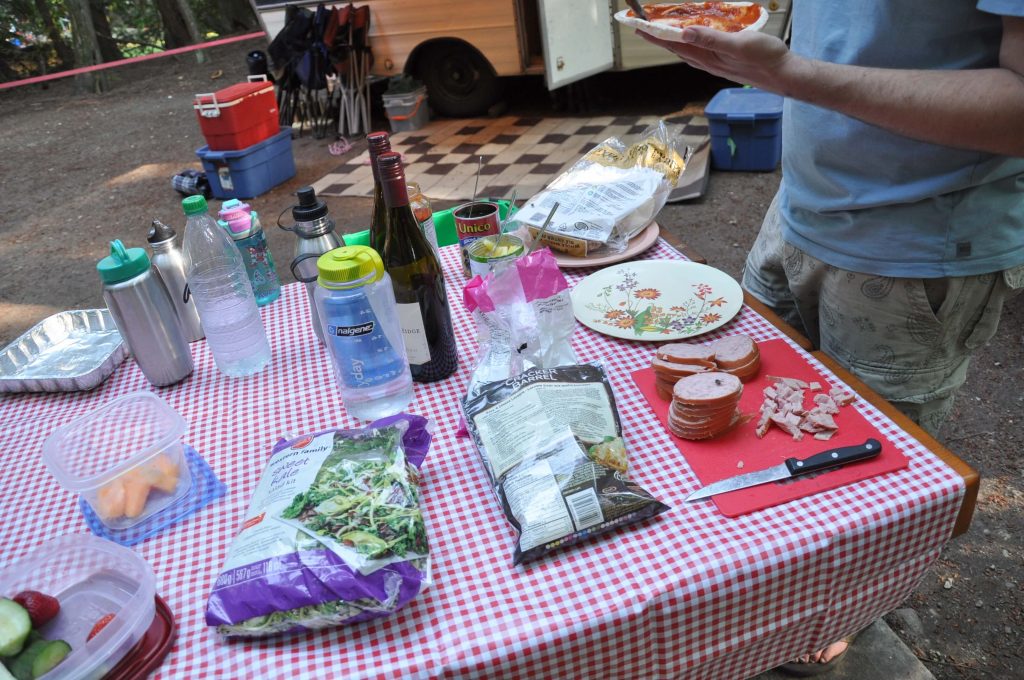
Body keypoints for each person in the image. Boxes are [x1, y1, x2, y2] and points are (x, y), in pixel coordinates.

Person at [638, 1, 1024, 675]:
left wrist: (796, 75)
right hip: (797, 211)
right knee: (745, 435)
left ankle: (843, 613)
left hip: (914, 248)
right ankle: (774, 602)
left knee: (866, 486)